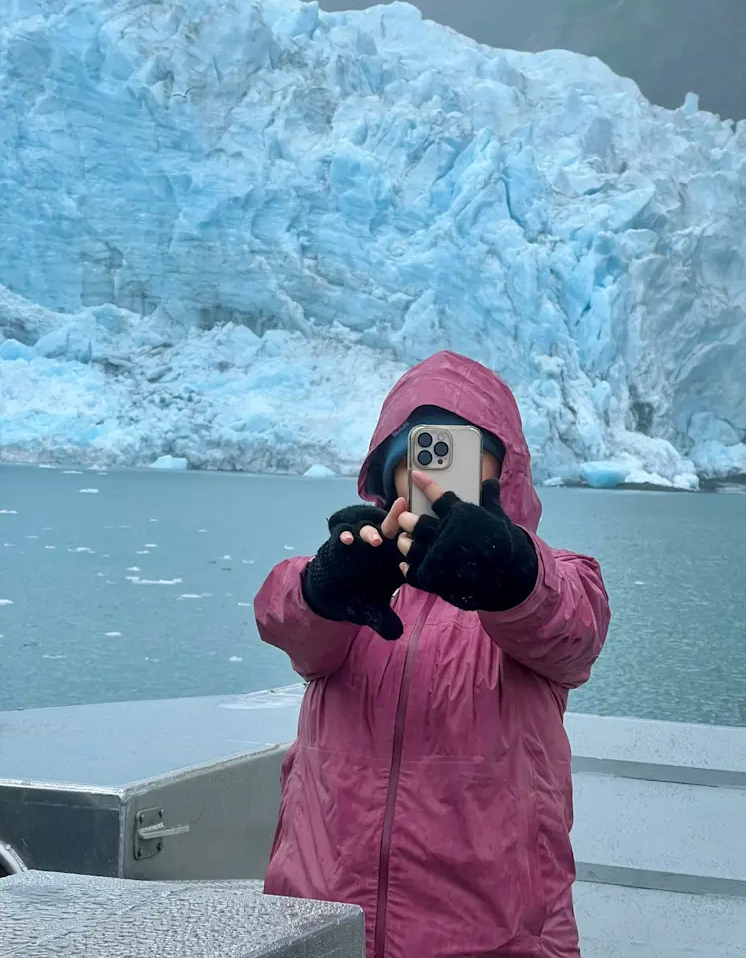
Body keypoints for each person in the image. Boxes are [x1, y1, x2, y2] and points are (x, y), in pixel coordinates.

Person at [255, 350, 610, 958]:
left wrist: (513, 574)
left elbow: (573, 629)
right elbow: (284, 621)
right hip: (322, 926)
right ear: (389, 472)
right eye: (420, 455)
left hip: (500, 938)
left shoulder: (544, 579)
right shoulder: (359, 574)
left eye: (467, 454)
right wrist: (323, 584)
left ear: (505, 471)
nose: (437, 475)